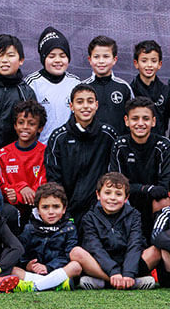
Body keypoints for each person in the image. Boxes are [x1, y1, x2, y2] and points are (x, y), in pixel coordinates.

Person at [45, 83, 119, 220]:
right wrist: (63, 207)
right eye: (80, 102)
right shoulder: (58, 137)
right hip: (68, 208)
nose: (85, 106)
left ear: (96, 105)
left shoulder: (108, 135)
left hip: (101, 208)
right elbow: (53, 178)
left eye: (90, 101)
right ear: (71, 106)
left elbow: (115, 173)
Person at [76, 172, 154, 290]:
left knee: (155, 251)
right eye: (107, 193)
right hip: (102, 265)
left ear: (126, 198)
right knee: (76, 252)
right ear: (98, 195)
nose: (112, 198)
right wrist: (113, 271)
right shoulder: (89, 217)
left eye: (118, 194)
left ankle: (123, 280)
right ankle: (120, 282)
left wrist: (129, 272)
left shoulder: (134, 215)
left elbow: (135, 244)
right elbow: (95, 248)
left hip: (129, 263)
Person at [13, 182, 84, 291]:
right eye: (45, 207)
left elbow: (68, 255)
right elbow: (21, 254)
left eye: (56, 207)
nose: (51, 212)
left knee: (76, 266)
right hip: (35, 272)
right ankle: (55, 284)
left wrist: (48, 267)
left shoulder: (69, 228)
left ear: (64, 209)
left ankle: (35, 286)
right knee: (13, 270)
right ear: (38, 210)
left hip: (58, 270)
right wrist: (28, 265)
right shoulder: (29, 228)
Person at [112, 98, 170, 218]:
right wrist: (145, 189)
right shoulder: (119, 145)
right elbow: (117, 184)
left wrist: (150, 190)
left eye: (146, 118)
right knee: (112, 197)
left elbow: (165, 186)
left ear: (153, 121)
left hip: (154, 199)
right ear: (126, 121)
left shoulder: (163, 145)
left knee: (163, 200)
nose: (140, 123)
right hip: (128, 198)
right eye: (135, 118)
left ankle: (158, 230)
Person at [0, 100, 48, 226]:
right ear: (15, 125)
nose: (25, 127)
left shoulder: (45, 153)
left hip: (37, 209)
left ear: (40, 128)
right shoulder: (3, 154)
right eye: (21, 122)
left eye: (31, 124)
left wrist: (18, 196)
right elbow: (1, 185)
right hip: (11, 212)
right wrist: (21, 187)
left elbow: (43, 186)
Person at [27, 26, 81, 145]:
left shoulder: (75, 83)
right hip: (41, 147)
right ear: (43, 58)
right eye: (51, 56)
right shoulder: (32, 83)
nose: (58, 60)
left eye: (62, 55)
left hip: (68, 147)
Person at [86, 35, 134, 133]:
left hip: (118, 141)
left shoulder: (124, 87)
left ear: (114, 60)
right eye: (96, 57)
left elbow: (133, 117)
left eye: (106, 56)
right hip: (90, 142)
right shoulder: (83, 88)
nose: (101, 61)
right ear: (90, 60)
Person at [130, 39, 170, 141]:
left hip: (158, 142)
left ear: (159, 64)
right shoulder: (129, 90)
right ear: (136, 63)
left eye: (153, 61)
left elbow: (166, 121)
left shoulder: (165, 91)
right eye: (144, 61)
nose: (149, 65)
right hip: (135, 142)